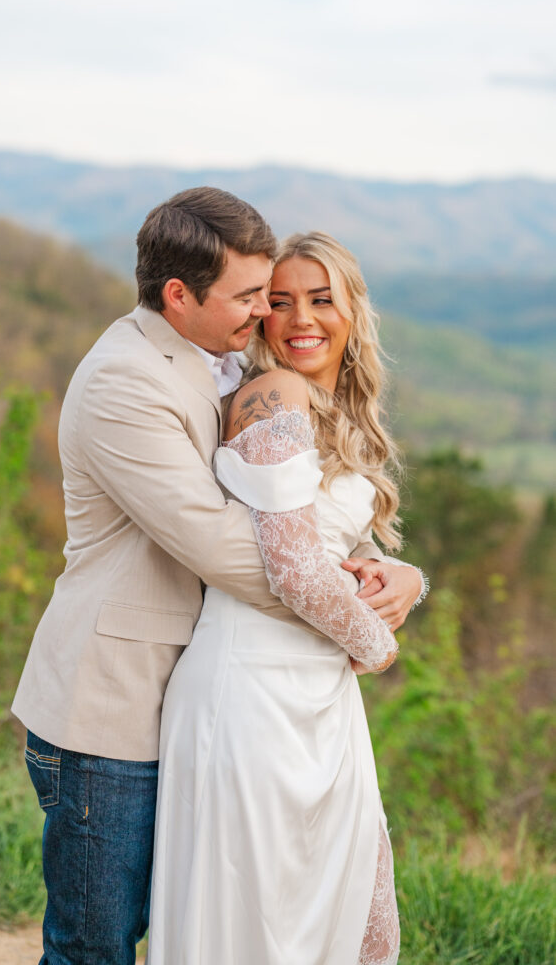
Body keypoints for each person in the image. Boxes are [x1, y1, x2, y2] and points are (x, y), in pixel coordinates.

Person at [11, 191, 423, 965]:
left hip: (219, 696)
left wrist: (390, 566)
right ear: (178, 294)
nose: (267, 311)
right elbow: (232, 549)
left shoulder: (230, 359)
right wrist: (362, 631)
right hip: (115, 704)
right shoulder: (123, 382)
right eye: (249, 296)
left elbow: (295, 507)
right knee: (94, 946)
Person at [147, 231, 427, 965]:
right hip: (251, 698)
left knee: (345, 913)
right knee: (257, 920)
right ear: (260, 318)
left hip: (319, 696)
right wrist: (378, 646)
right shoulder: (273, 393)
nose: (301, 318)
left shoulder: (336, 408)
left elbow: (328, 539)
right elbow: (296, 570)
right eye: (279, 301)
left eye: (321, 299)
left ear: (351, 313)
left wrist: (405, 576)